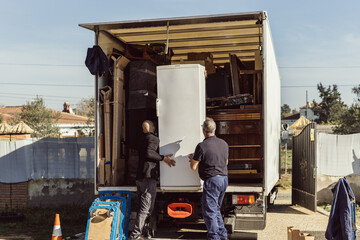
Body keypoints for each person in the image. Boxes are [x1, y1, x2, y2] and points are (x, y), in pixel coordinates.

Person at [129, 120, 176, 240]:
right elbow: (149, 153)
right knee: (146, 208)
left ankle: (143, 233)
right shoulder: (153, 139)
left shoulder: (141, 139)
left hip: (140, 177)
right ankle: (135, 235)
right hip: (148, 177)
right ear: (152, 128)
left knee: (143, 207)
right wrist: (163, 158)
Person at [189, 117, 229, 240]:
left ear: (203, 131)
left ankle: (214, 237)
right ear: (215, 129)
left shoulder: (201, 146)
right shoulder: (224, 144)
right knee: (216, 209)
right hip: (224, 179)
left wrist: (193, 159)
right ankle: (223, 236)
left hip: (212, 181)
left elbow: (193, 167)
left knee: (209, 212)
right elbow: (226, 162)